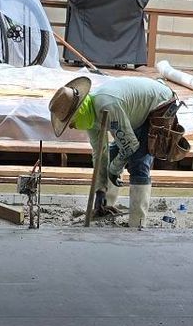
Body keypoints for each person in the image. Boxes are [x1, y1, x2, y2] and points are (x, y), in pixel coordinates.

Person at [48, 73, 179, 229]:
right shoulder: (90, 113)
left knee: (138, 162)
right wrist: (99, 190)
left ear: (79, 112)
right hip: (133, 111)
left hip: (159, 103)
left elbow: (130, 146)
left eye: (71, 122)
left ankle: (137, 222)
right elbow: (100, 153)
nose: (71, 126)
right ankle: (105, 206)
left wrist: (114, 169)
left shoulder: (107, 106)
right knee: (112, 157)